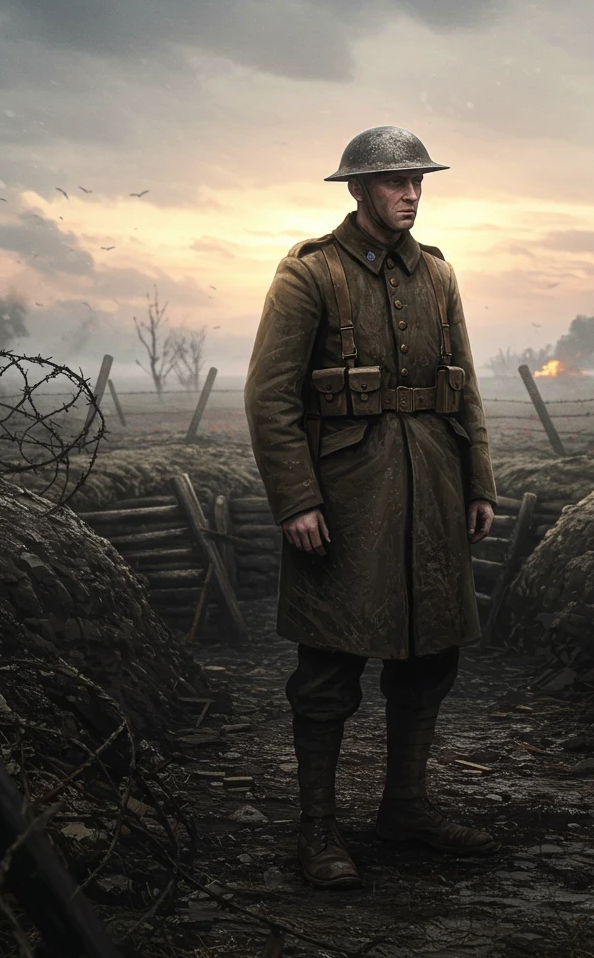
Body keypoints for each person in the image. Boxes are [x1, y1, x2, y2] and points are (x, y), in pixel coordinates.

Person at [244, 125, 499, 889]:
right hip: (346, 498)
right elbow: (270, 397)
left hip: (434, 485)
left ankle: (406, 807)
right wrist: (296, 499)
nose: (411, 193)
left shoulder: (440, 276)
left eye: (418, 180)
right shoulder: (310, 275)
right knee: (329, 665)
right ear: (357, 190)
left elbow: (466, 382)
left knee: (430, 654)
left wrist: (478, 480)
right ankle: (317, 829)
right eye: (394, 182)